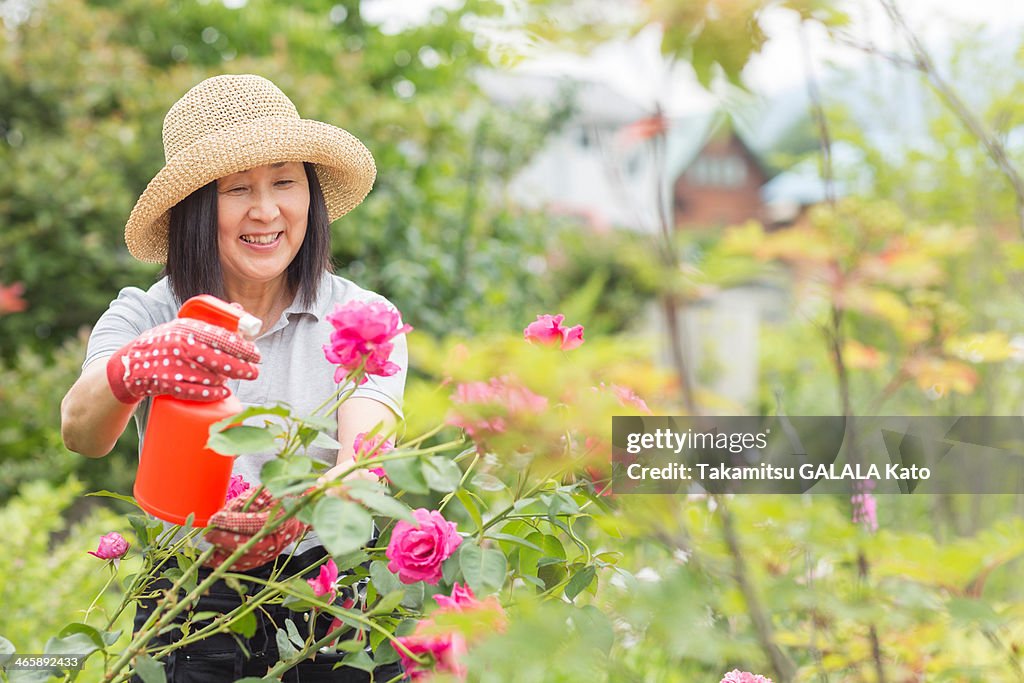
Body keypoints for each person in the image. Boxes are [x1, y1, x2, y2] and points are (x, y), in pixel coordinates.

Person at [60, 74, 407, 682]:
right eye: (236, 189)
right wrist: (133, 367)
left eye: (284, 182)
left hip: (326, 598)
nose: (266, 210)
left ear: (311, 196)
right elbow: (81, 433)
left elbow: (366, 458)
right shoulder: (148, 314)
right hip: (189, 605)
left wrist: (298, 508)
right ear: (195, 208)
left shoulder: (363, 320)